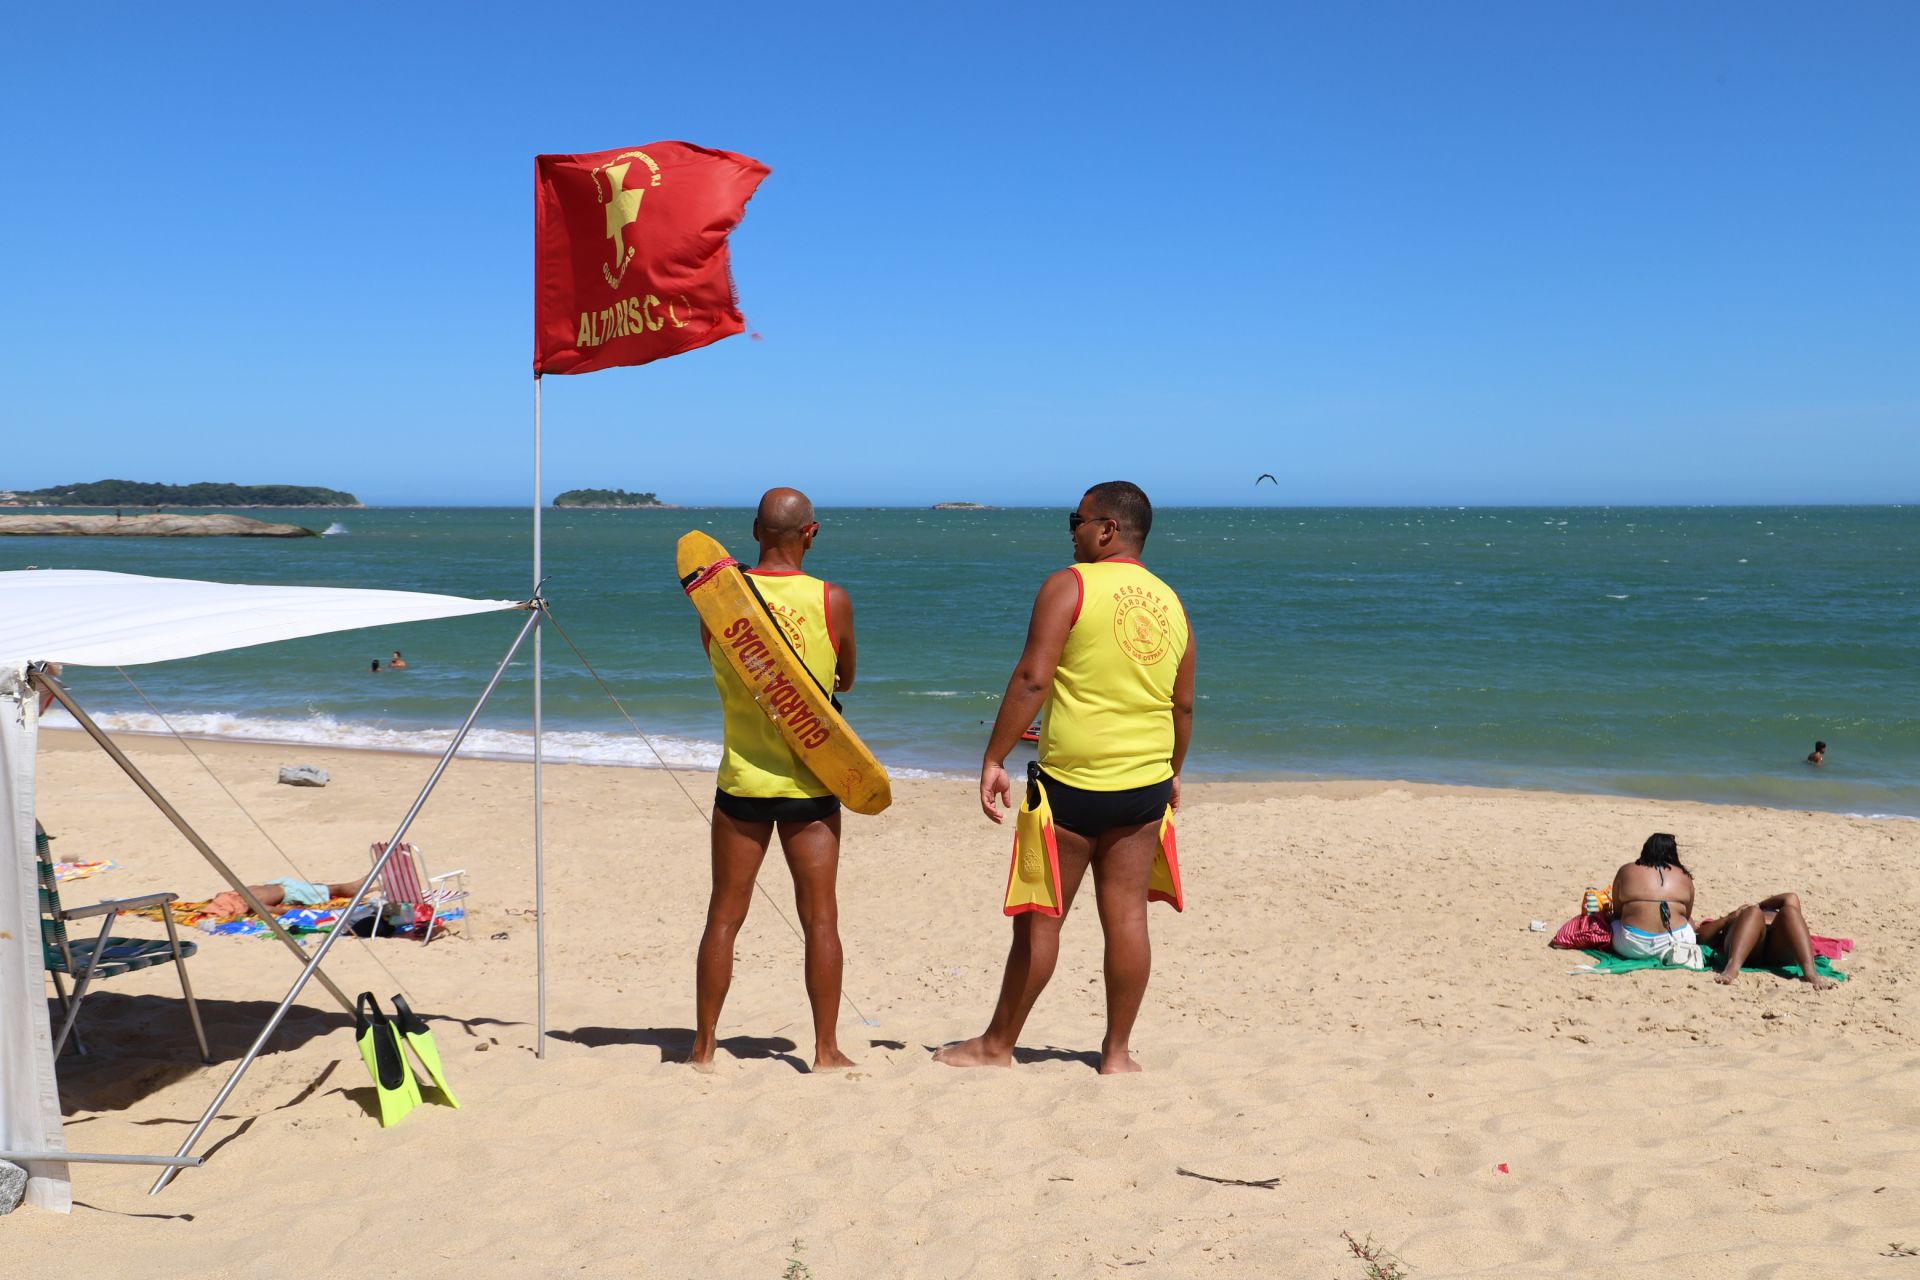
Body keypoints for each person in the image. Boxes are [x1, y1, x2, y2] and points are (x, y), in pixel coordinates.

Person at [936, 481, 1195, 1075]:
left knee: (1040, 918)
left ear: (1106, 529)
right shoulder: (1173, 605)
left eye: (1075, 520)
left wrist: (994, 757)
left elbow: (1033, 678)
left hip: (1073, 787)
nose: (1071, 531)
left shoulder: (1069, 586)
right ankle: (1117, 1054)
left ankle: (998, 1046)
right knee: (1128, 917)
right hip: (1144, 785)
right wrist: (1173, 772)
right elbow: (1182, 707)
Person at [690, 487, 858, 1073]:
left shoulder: (719, 604)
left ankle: (704, 1046)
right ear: (811, 533)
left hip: (741, 784)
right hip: (812, 786)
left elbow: (719, 662)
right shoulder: (831, 599)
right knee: (820, 919)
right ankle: (826, 1050)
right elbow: (847, 678)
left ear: (755, 531)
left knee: (723, 918)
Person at [1610, 833, 1836, 989]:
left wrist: (1759, 906)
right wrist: (1755, 908)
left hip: (1774, 946)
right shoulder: (1686, 879)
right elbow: (1695, 928)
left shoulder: (1781, 913)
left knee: (1787, 912)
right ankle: (1734, 968)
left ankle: (1809, 972)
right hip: (1757, 947)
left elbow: (1790, 899)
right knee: (1754, 913)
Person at [208, 874, 371, 918]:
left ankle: (365, 884)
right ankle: (358, 887)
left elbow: (219, 896)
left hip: (279, 884)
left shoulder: (238, 896)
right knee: (334, 889)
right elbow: (269, 910)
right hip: (291, 892)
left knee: (322, 888)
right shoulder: (254, 903)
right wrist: (290, 912)